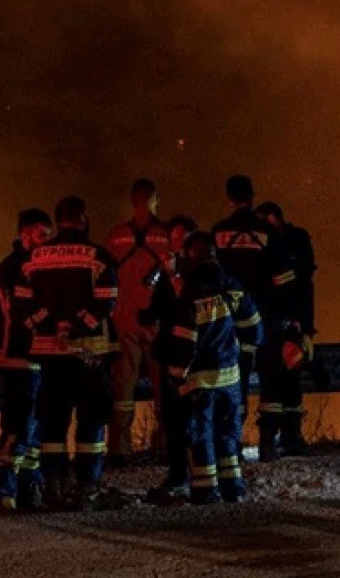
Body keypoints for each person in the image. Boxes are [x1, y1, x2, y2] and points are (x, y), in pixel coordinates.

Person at [25, 196, 120, 510]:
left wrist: (54, 325)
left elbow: (24, 305)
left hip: (49, 356)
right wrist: (76, 327)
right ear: (83, 219)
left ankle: (53, 486)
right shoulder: (98, 257)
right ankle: (86, 488)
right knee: (91, 422)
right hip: (87, 355)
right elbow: (106, 301)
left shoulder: (35, 258)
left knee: (52, 424)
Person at [163, 232, 262, 504]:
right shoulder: (234, 288)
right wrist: (236, 352)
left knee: (201, 434)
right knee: (228, 434)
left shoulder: (191, 296)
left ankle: (206, 490)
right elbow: (254, 331)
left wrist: (174, 376)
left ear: (191, 259)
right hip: (230, 379)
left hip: (200, 383)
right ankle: (233, 488)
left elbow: (184, 344)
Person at [210, 175, 301, 462]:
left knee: (233, 381)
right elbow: (286, 278)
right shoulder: (269, 233)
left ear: (229, 198)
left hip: (230, 322)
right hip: (266, 317)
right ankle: (267, 445)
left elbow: (212, 278)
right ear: (253, 195)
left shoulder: (218, 233)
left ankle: (232, 444)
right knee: (271, 381)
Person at [103, 179, 171, 465]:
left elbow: (104, 276)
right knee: (164, 386)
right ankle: (168, 446)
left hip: (124, 320)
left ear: (133, 201)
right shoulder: (168, 234)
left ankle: (120, 449)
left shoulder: (116, 236)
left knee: (123, 387)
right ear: (156, 200)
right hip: (159, 320)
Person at [0, 208, 52, 508]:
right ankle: (5, 491)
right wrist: (50, 315)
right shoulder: (15, 267)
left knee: (35, 426)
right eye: (42, 234)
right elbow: (20, 316)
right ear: (24, 233)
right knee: (18, 424)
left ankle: (28, 491)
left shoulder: (31, 264)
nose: (46, 240)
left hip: (36, 357)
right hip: (19, 357)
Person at [140, 215, 197, 503]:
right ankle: (178, 473)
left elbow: (191, 304)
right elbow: (158, 306)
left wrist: (174, 277)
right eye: (172, 240)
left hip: (192, 356)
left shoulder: (200, 271)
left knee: (193, 416)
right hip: (168, 351)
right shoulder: (165, 272)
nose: (175, 246)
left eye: (180, 240)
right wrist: (146, 315)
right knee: (173, 418)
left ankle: (201, 474)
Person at [257, 201, 321, 447]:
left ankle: (290, 435)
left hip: (293, 320)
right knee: (275, 378)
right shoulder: (278, 243)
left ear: (274, 218)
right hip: (278, 322)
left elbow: (301, 277)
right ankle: (276, 436)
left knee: (291, 377)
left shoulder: (295, 239)